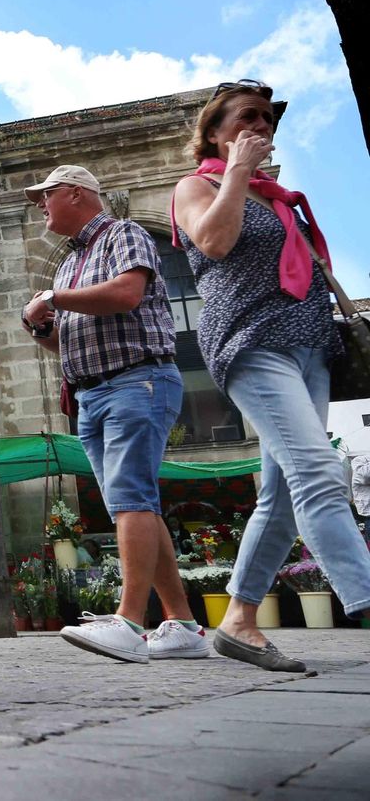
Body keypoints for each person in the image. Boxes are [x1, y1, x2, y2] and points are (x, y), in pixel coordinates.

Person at [171, 80, 370, 671]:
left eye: (268, 119)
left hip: (311, 350)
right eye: (247, 117)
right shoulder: (196, 185)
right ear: (214, 131)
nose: (261, 126)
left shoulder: (282, 200)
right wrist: (235, 172)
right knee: (318, 470)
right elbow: (212, 239)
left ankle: (237, 621)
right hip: (252, 345)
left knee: (282, 496)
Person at [22, 165, 208, 664]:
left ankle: (129, 623)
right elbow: (66, 344)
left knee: (130, 499)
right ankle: (184, 624)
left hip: (136, 381)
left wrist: (53, 299)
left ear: (76, 193)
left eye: (46, 194)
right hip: (92, 393)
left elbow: (127, 293)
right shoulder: (66, 266)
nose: (40, 204)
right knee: (135, 503)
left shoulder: (122, 234)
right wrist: (42, 327)